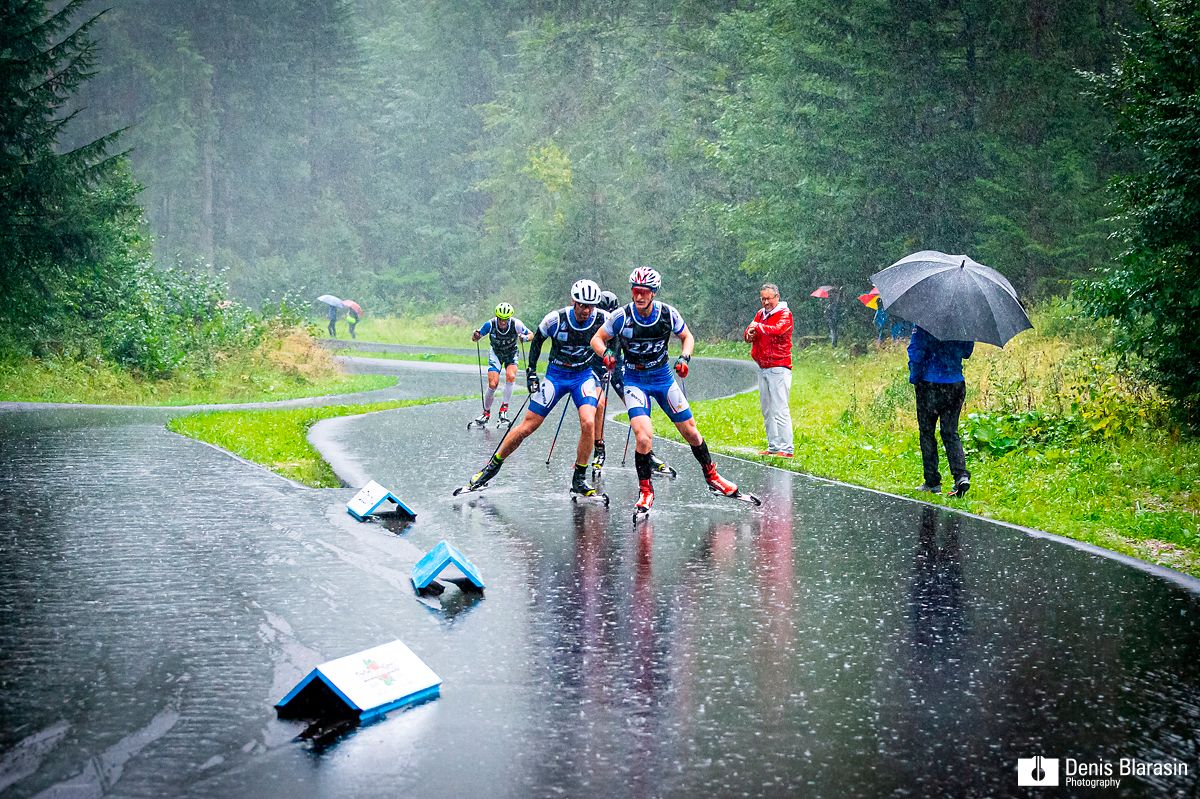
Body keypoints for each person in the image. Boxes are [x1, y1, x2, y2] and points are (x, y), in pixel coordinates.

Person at [591, 266, 745, 515]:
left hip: (663, 378)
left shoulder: (667, 314)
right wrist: (606, 353)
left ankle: (713, 477)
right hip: (635, 379)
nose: (639, 296)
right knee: (643, 436)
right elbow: (597, 339)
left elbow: (688, 336)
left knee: (692, 433)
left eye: (644, 292)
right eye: (635, 291)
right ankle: (646, 491)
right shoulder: (622, 315)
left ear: (653, 292)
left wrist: (685, 358)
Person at [460, 279, 606, 498]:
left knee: (588, 421)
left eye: (591, 306)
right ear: (573, 302)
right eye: (582, 305)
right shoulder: (556, 319)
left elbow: (614, 339)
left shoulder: (603, 319)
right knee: (528, 426)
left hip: (582, 376)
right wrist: (531, 373)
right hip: (556, 375)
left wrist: (609, 361)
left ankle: (579, 479)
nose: (586, 310)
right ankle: (489, 469)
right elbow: (537, 342)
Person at [589, 290, 673, 475]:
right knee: (599, 403)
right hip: (595, 365)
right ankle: (599, 449)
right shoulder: (594, 321)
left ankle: (647, 453)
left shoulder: (623, 319)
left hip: (618, 366)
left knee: (637, 406)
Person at [908, 325, 974, 497]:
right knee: (950, 432)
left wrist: (915, 378)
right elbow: (967, 352)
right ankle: (960, 476)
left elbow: (916, 353)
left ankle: (932, 481)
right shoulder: (963, 323)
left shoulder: (924, 322)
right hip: (956, 384)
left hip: (929, 384)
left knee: (927, 433)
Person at [743, 282, 794, 458]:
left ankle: (787, 449)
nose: (765, 302)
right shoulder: (760, 314)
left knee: (780, 408)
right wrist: (749, 334)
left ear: (777, 297)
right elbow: (749, 332)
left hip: (779, 366)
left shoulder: (785, 314)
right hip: (762, 366)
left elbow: (777, 331)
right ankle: (773, 446)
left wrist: (757, 327)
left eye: (768, 299)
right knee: (767, 409)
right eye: (763, 299)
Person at [470, 302, 533, 427]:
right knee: (493, 384)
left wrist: (524, 338)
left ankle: (503, 411)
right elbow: (475, 338)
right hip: (496, 354)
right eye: (501, 319)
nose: (503, 322)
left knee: (511, 376)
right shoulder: (490, 324)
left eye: (505, 320)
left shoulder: (516, 324)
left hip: (511, 353)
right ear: (497, 317)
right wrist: (475, 335)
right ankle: (486, 413)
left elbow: (531, 334)